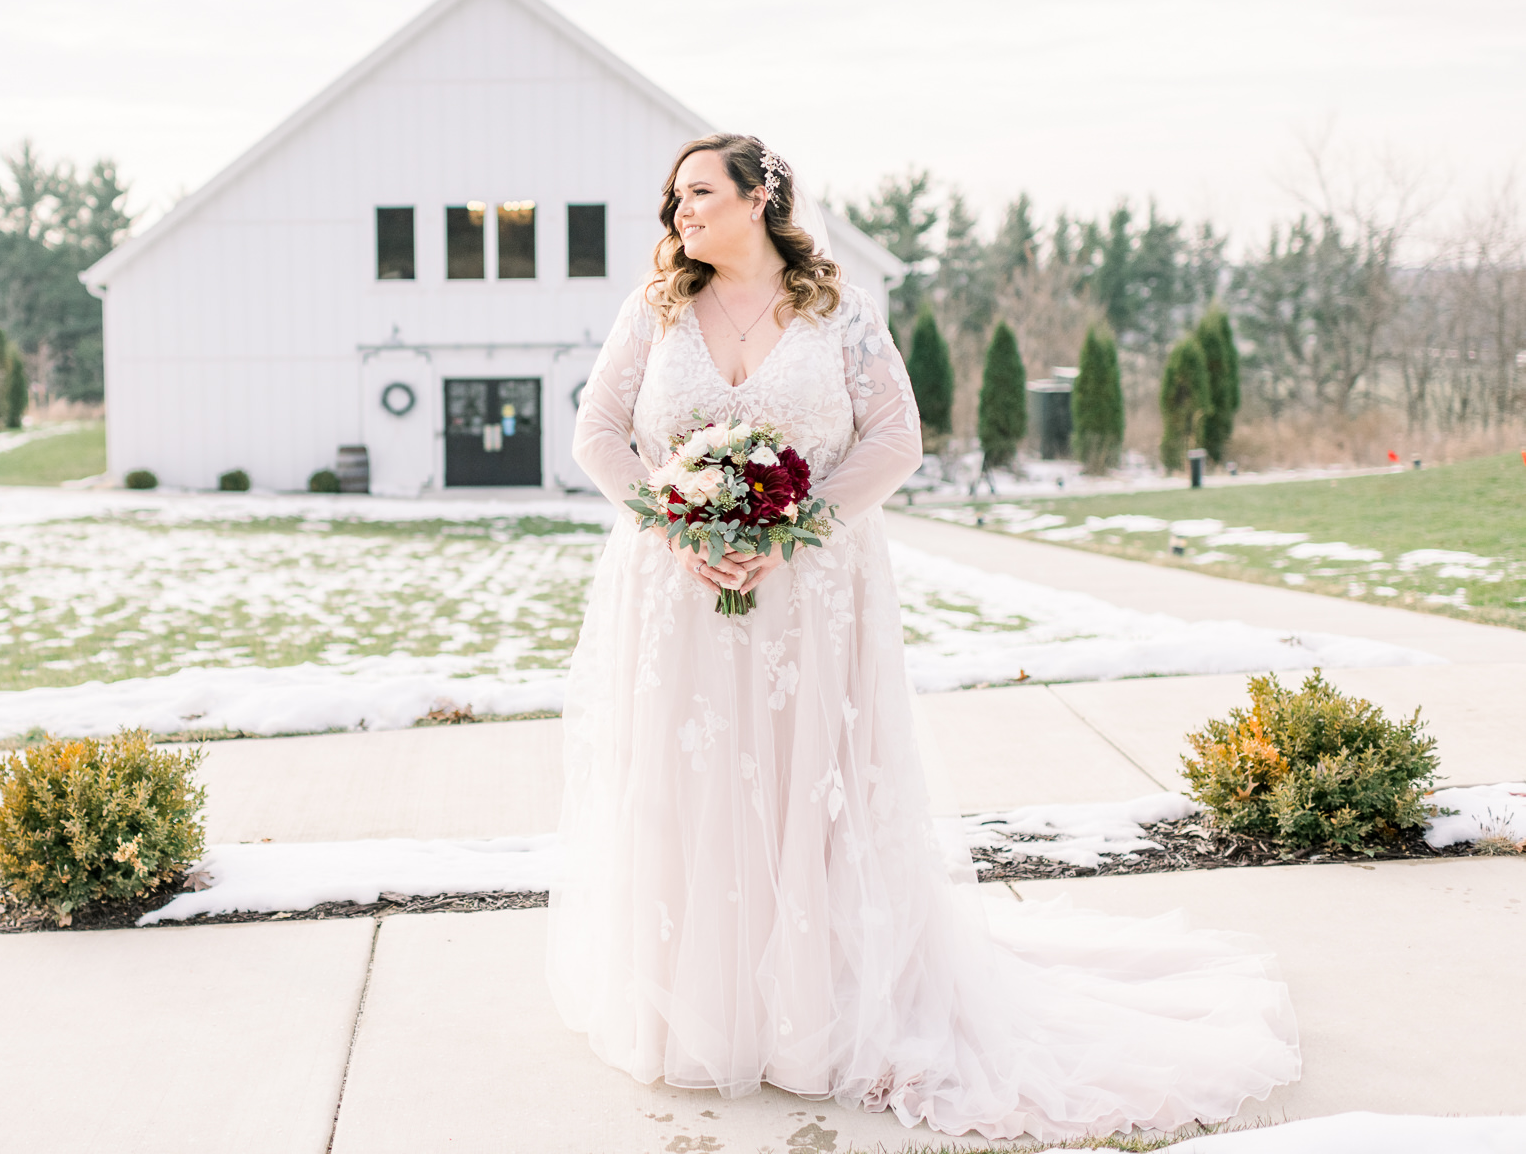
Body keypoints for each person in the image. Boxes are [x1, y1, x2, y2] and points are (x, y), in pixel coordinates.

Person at [547, 133, 1299, 1140]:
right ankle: (708, 1016)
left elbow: (896, 437)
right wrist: (677, 524)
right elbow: (596, 431)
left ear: (759, 196)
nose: (677, 211)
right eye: (673, 197)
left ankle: (815, 1017)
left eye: (697, 192)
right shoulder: (656, 311)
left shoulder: (838, 310)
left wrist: (794, 529)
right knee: (693, 792)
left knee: (808, 789)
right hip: (678, 595)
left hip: (810, 591)